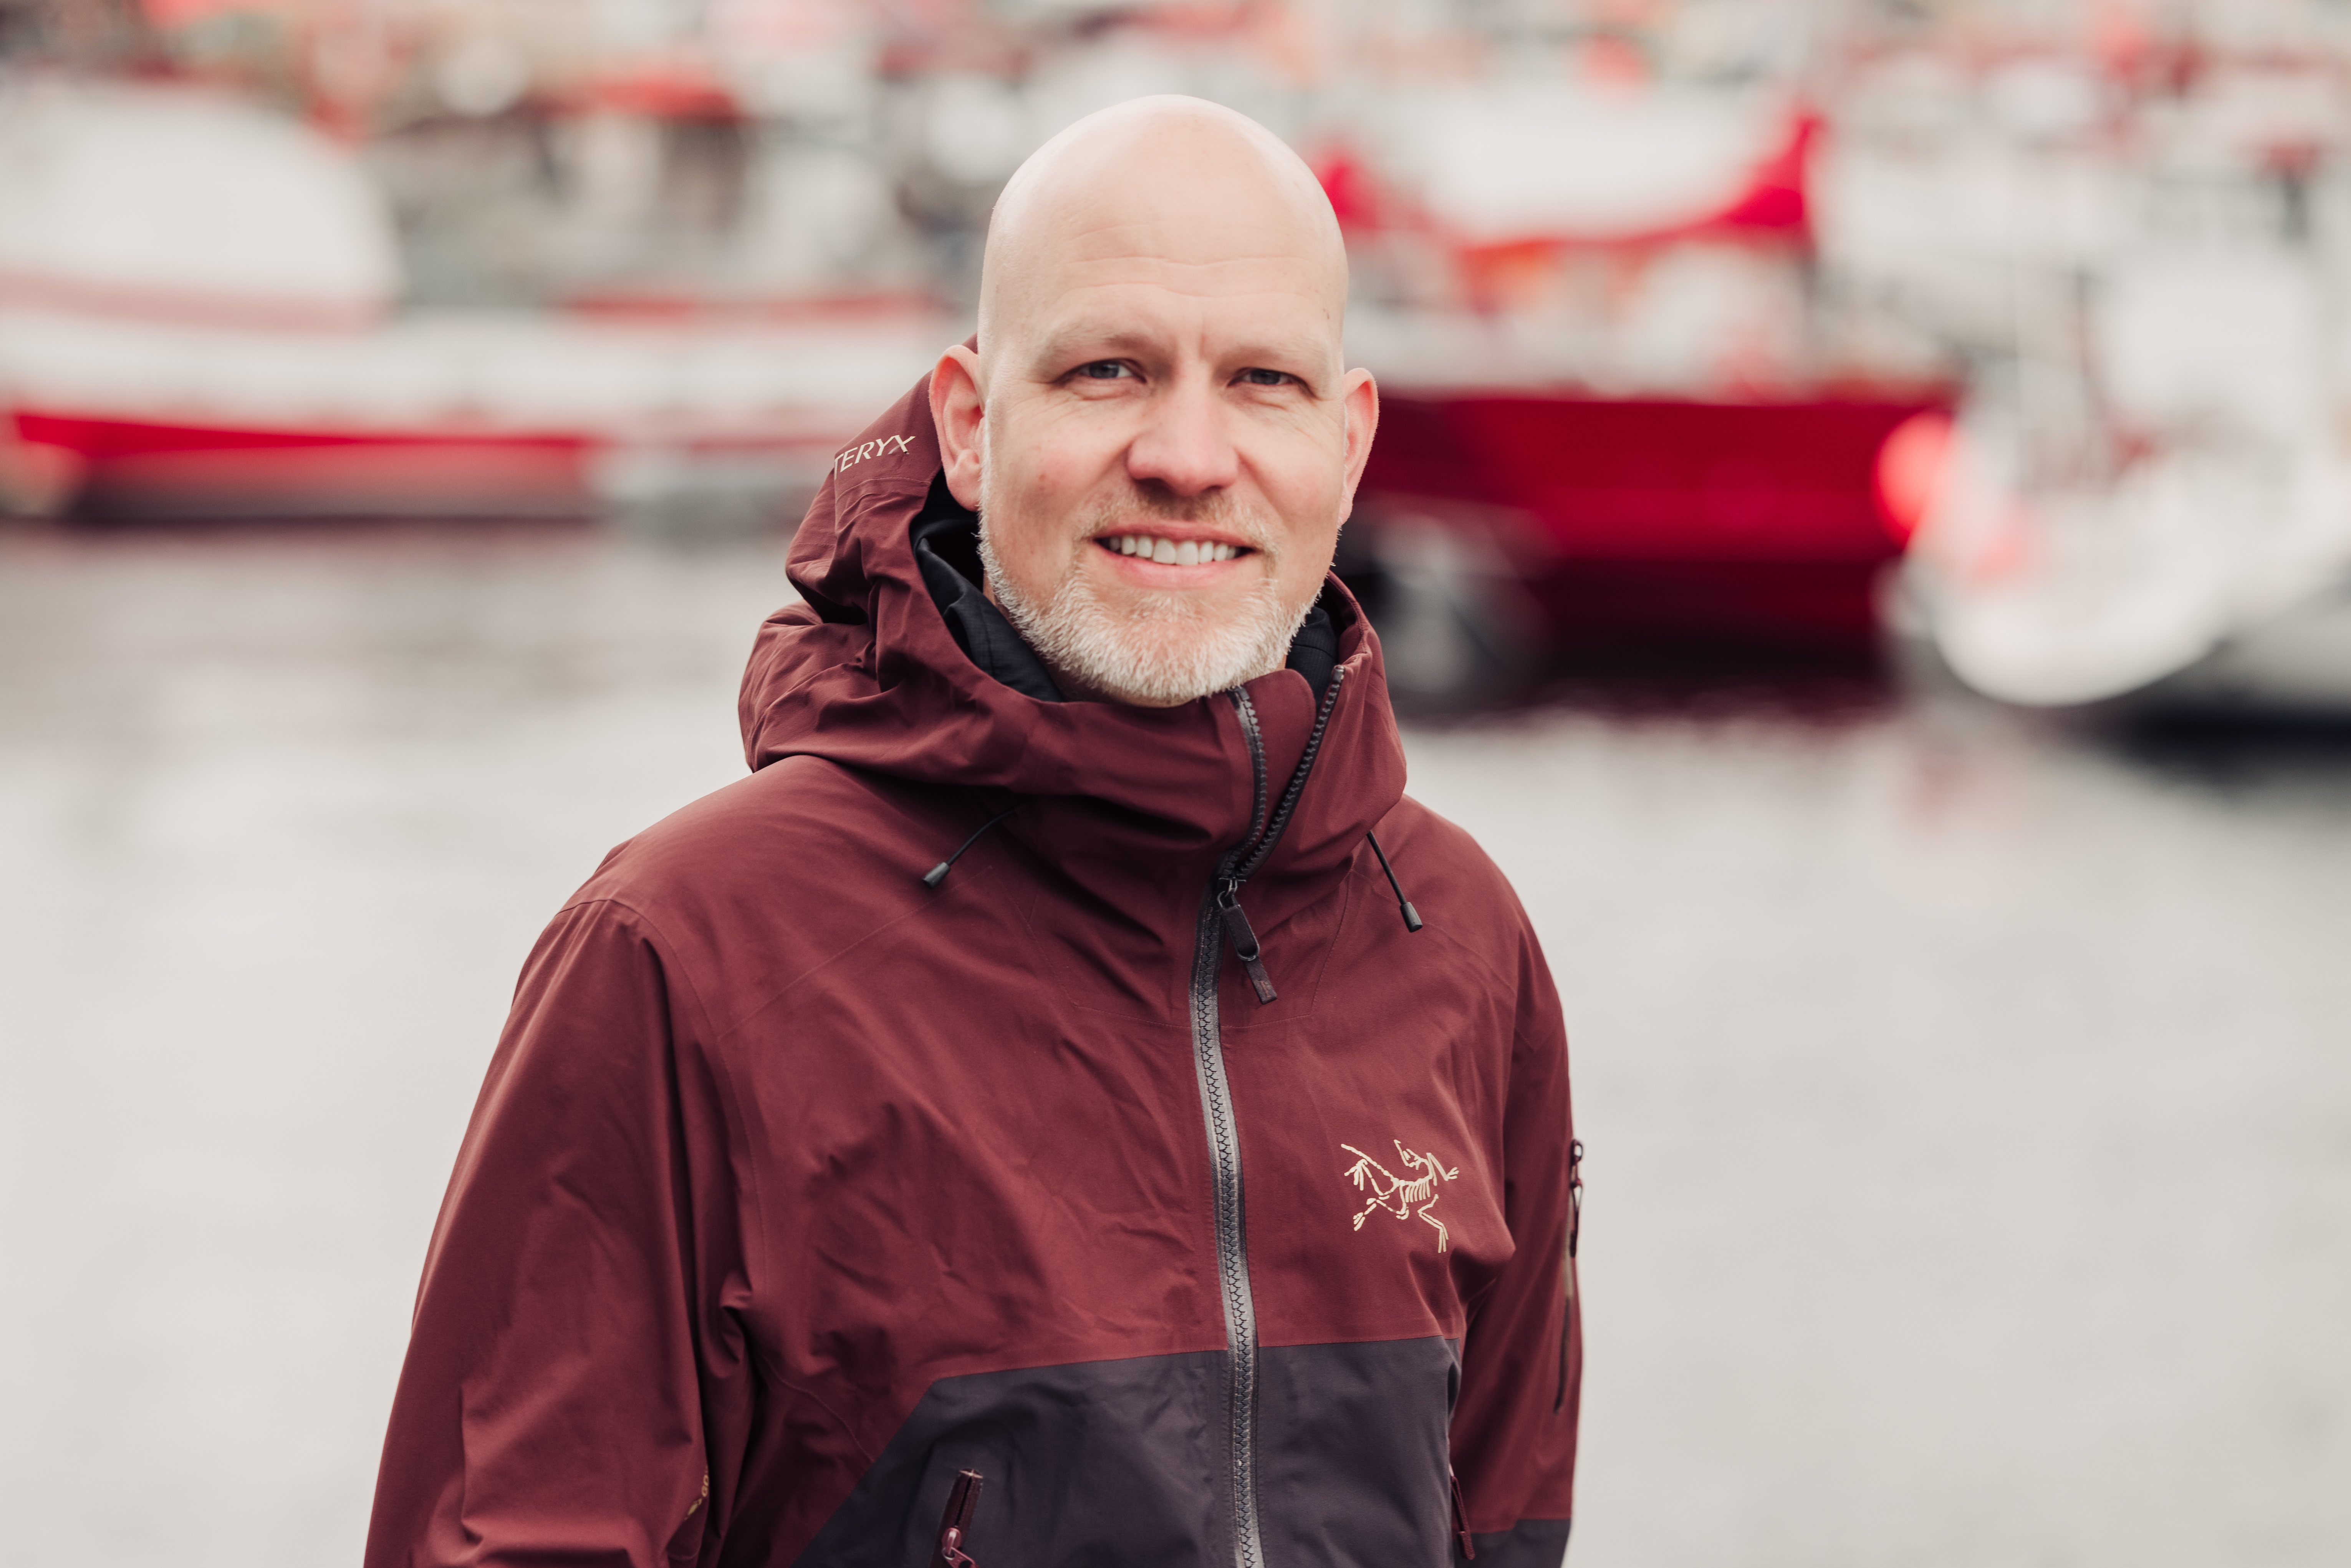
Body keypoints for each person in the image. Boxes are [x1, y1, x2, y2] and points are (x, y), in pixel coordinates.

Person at [366, 96, 1582, 1568]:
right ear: (967, 421)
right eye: (1106, 369)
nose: (1187, 454)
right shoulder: (685, 952)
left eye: (1261, 379)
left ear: (1349, 438)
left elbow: (1506, 1526)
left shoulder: (1456, 934)